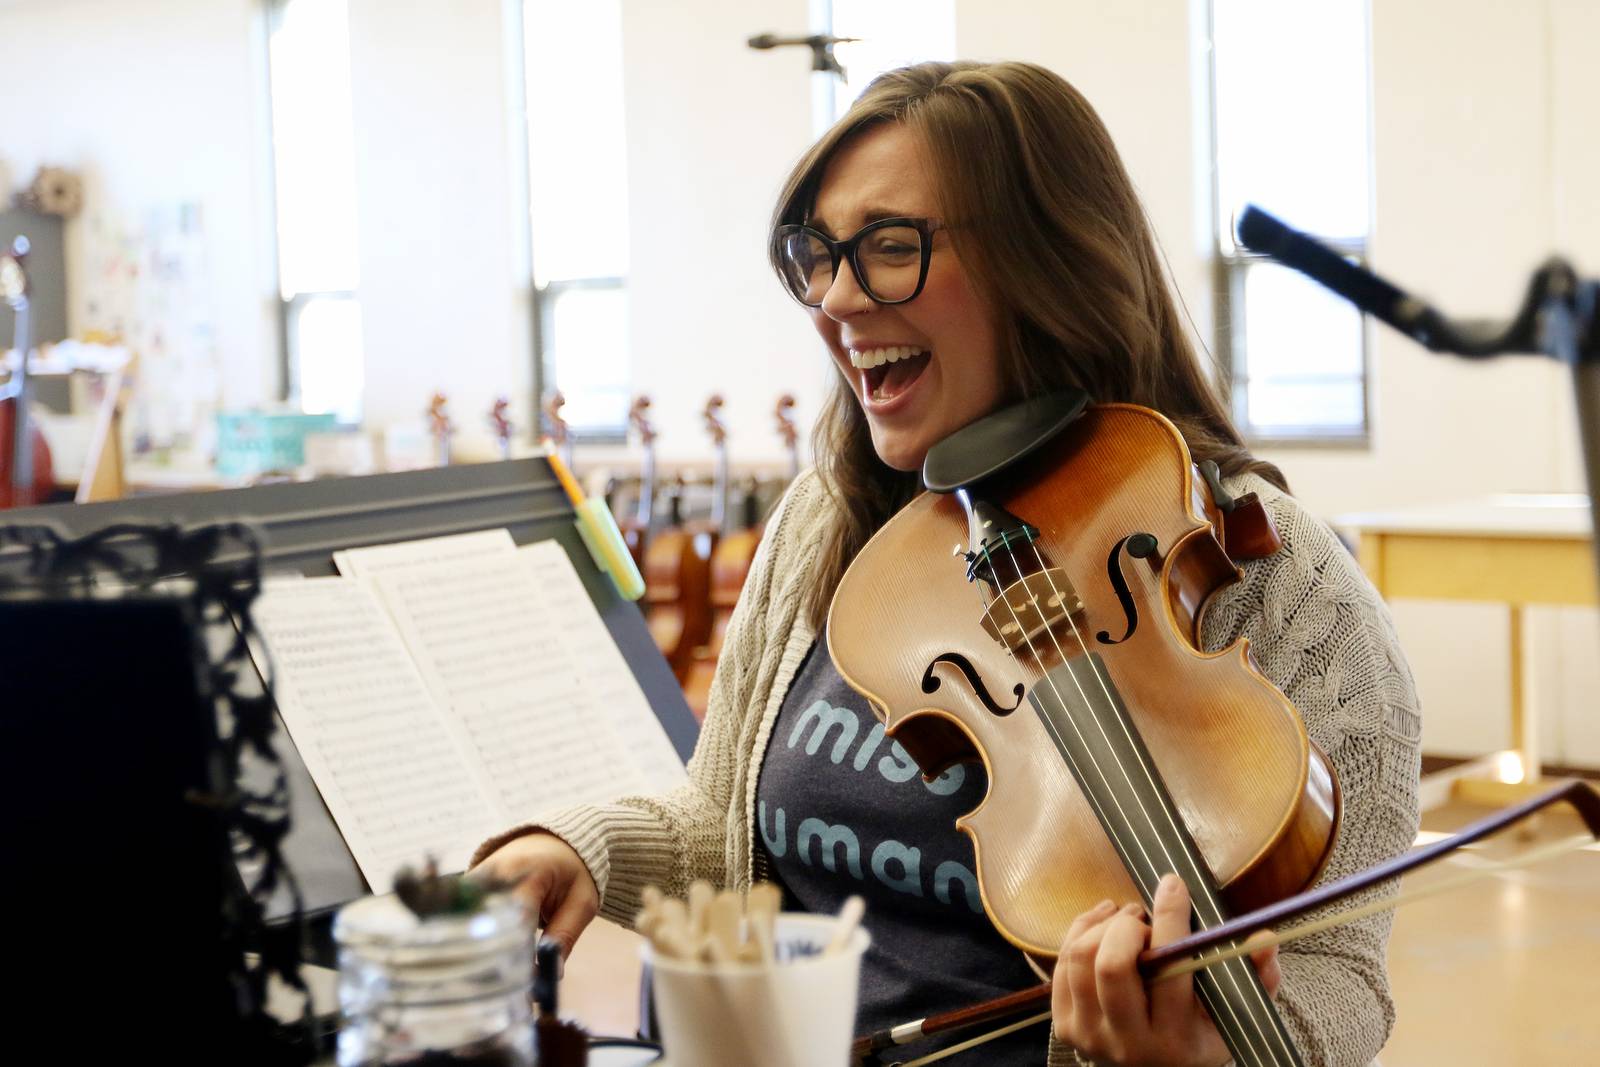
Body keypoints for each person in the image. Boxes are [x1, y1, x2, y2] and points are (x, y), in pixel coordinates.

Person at [473, 60, 1421, 1066]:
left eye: (889, 247)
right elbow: (721, 821)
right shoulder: (827, 521)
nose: (836, 297)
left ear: (1045, 260)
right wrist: (581, 846)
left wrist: (1201, 1050)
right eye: (817, 253)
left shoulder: (1270, 578)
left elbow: (1340, 982)